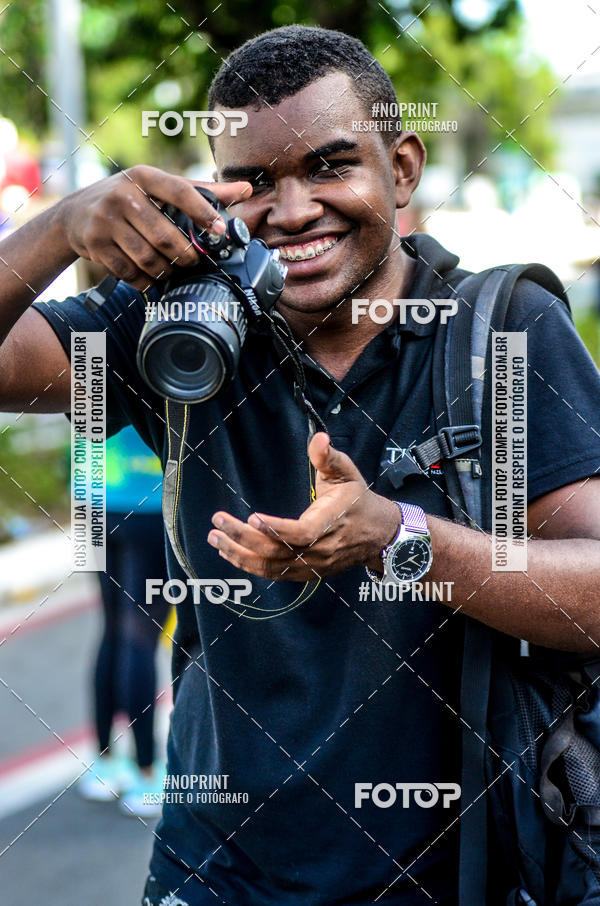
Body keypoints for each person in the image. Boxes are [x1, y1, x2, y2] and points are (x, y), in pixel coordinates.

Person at [0, 24, 599, 905]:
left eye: (330, 166)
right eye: (253, 183)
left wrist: (401, 539)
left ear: (402, 168)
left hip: (455, 875)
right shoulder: (178, 329)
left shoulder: (502, 335)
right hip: (213, 875)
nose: (290, 211)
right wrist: (59, 226)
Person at [77, 424, 170, 818]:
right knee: (139, 638)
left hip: (93, 496)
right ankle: (146, 774)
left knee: (114, 629)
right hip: (146, 499)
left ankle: (105, 763)